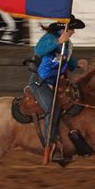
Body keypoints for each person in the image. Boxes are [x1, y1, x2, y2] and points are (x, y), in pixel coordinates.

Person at [28, 14, 85, 161]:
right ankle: (49, 143)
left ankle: (61, 140)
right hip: (39, 82)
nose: (73, 32)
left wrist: (77, 64)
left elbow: (67, 61)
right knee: (52, 108)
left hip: (53, 82)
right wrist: (59, 41)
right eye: (72, 28)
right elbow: (39, 50)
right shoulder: (51, 38)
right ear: (65, 28)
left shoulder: (66, 45)